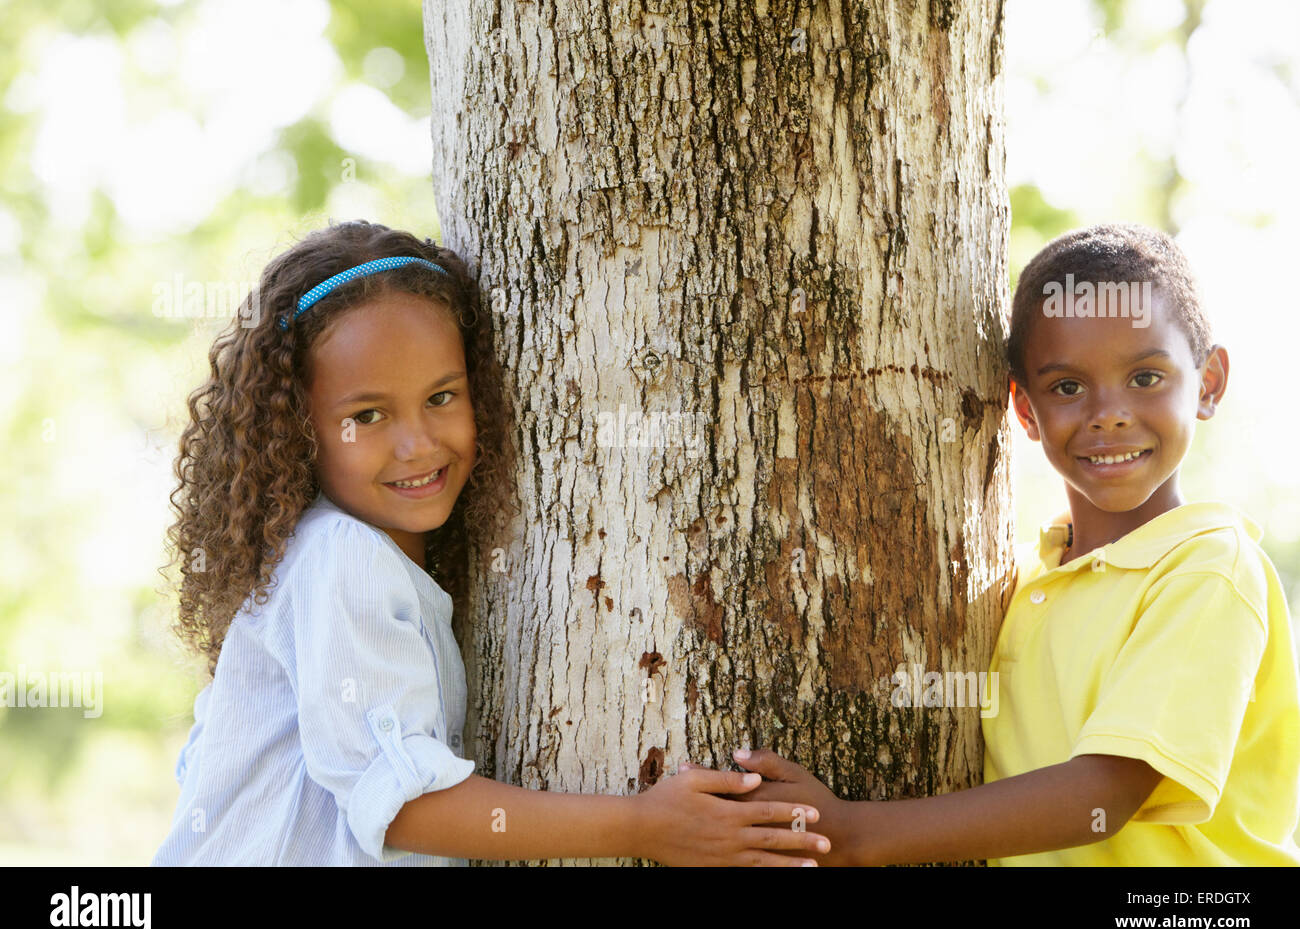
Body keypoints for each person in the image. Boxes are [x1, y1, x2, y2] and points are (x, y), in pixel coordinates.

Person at [152, 220, 829, 866]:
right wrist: (645, 825)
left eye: (442, 397)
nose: (418, 443)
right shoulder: (339, 557)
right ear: (294, 428)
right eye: (368, 415)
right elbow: (402, 807)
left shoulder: (359, 563)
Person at [729, 223, 1300, 865]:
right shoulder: (1030, 578)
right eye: (1067, 387)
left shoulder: (1207, 570)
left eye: (1145, 377)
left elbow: (1105, 796)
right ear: (1025, 413)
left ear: (1209, 383)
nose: (1108, 413)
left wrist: (852, 832)